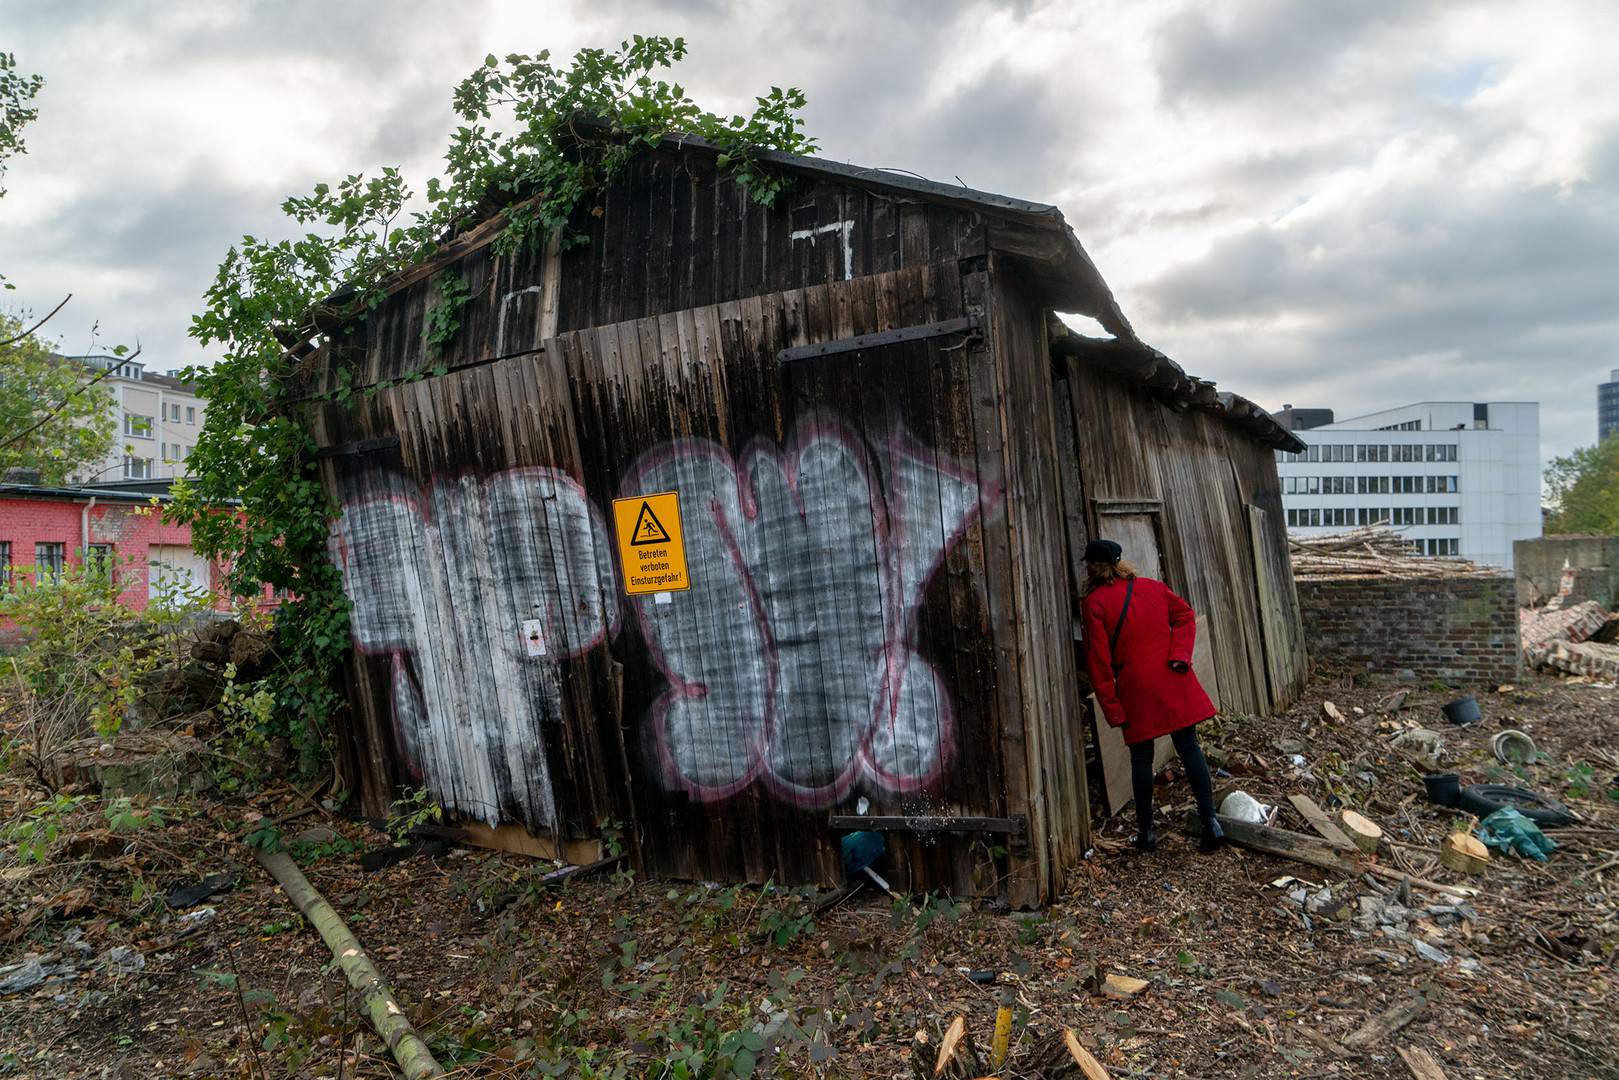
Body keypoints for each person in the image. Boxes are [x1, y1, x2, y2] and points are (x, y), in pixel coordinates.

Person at [1080, 539, 1224, 853]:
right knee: (1189, 745)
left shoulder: (1094, 604)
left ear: (1092, 567)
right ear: (1120, 562)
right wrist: (1181, 655)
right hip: (1172, 676)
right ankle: (1211, 821)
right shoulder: (1152, 587)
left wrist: (1113, 709)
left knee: (1141, 758)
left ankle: (1146, 834)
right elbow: (1186, 616)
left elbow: (1098, 663)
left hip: (1137, 687)